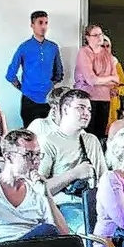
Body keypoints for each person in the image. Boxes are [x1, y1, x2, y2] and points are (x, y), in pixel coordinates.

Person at [0, 130, 71, 247]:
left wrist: (47, 196)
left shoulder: (38, 190)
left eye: (38, 155)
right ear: (9, 157)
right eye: (28, 154)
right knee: (47, 231)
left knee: (57, 238)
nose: (36, 161)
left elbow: (64, 235)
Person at [27, 87, 106, 231]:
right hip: (65, 206)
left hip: (95, 203)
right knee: (88, 230)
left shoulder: (91, 140)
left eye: (89, 109)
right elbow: (39, 190)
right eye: (80, 108)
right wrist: (75, 173)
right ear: (64, 110)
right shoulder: (48, 141)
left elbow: (104, 178)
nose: (86, 113)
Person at [5, 10, 65, 126]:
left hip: (49, 99)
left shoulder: (53, 47)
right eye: (40, 23)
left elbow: (59, 73)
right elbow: (10, 75)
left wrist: (49, 85)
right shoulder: (24, 47)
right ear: (32, 25)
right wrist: (23, 88)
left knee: (49, 134)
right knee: (30, 135)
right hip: (29, 100)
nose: (44, 26)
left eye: (46, 23)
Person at [101, 35, 124, 127]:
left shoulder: (115, 63)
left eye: (107, 46)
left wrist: (117, 91)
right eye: (102, 46)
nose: (105, 49)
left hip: (112, 107)